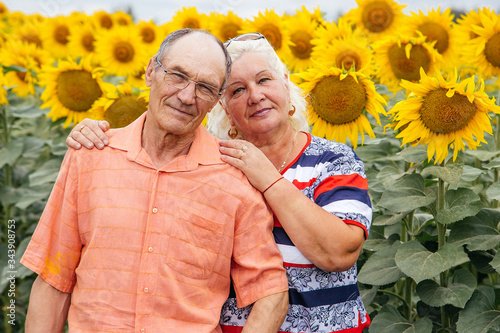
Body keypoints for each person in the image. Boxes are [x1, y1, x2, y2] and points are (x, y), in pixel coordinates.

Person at [67, 33, 372, 332]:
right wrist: (101, 136)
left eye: (264, 80)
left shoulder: (332, 160)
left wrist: (267, 178)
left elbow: (339, 253)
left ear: (285, 81)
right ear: (221, 106)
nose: (255, 96)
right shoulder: (212, 166)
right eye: (237, 90)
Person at [21, 29, 289, 333]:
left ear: (216, 100)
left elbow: (271, 292)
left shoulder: (235, 179)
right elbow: (54, 278)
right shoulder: (90, 156)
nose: (187, 96)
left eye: (204, 87)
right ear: (151, 71)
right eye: (177, 75)